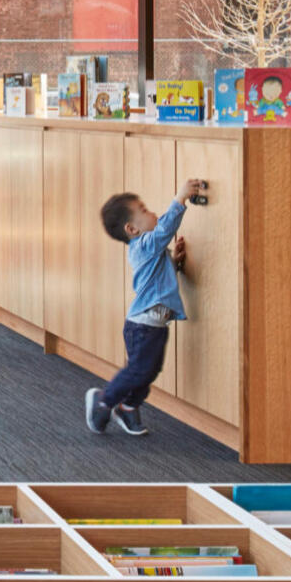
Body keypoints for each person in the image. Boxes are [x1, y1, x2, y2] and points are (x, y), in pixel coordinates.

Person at [87, 179, 201, 437]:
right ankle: (103, 401)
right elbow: (164, 231)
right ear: (131, 229)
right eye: (145, 210)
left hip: (153, 325)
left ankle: (128, 408)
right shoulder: (144, 245)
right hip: (143, 325)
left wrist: (176, 263)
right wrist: (180, 199)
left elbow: (159, 278)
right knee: (139, 369)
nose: (153, 214)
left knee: (149, 371)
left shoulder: (149, 249)